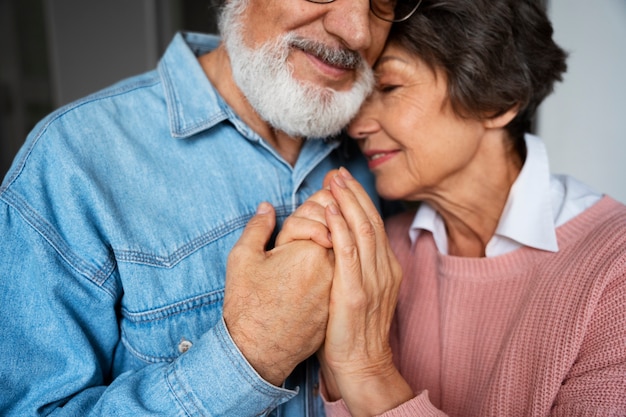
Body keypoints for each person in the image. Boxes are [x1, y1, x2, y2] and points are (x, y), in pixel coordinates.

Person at [0, 0, 422, 415]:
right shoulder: (70, 159)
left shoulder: (385, 151)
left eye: (382, 0)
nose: (357, 31)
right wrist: (252, 353)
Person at [277, 0, 626, 415]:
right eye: (360, 95)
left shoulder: (614, 271)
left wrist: (368, 370)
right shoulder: (381, 252)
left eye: (389, 88)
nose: (356, 125)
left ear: (497, 101)